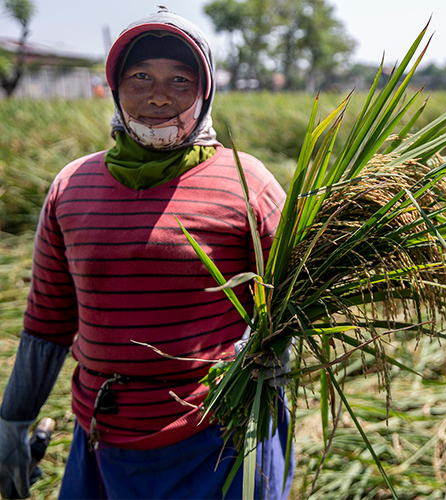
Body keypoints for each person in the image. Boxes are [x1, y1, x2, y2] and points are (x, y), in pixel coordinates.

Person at [0, 7, 294, 500]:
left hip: (218, 437)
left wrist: (271, 352)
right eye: (140, 77)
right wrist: (13, 420)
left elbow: (293, 300)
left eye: (181, 80)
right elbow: (47, 323)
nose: (159, 96)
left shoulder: (248, 184)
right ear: (115, 87)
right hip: (101, 437)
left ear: (205, 93)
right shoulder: (72, 187)